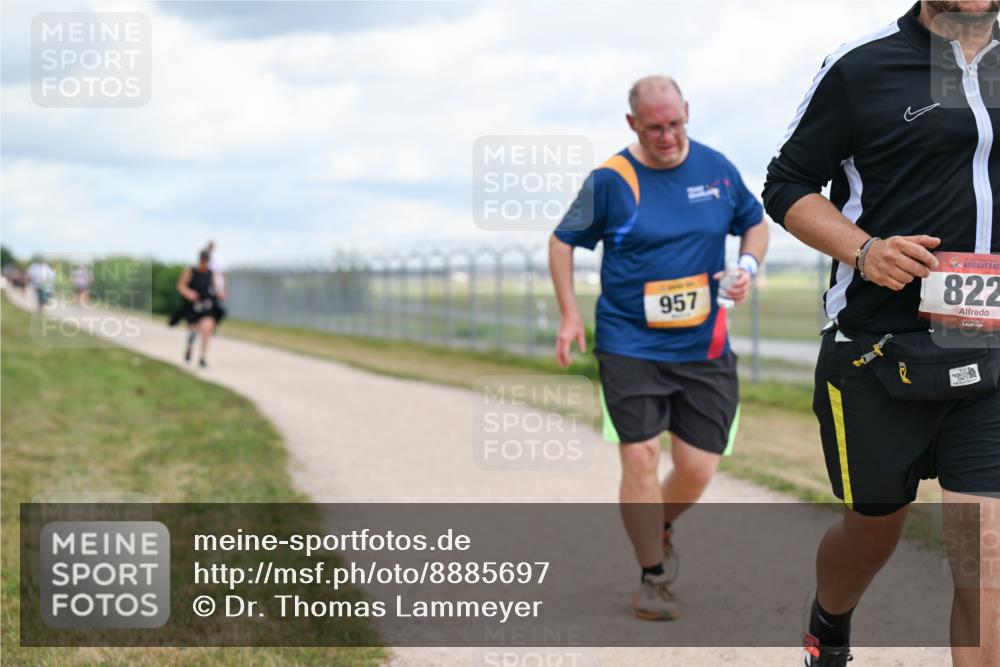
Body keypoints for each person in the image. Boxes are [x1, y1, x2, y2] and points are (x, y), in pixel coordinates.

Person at [762, 3, 1000, 666]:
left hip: (989, 352)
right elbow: (786, 184)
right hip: (876, 348)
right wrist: (865, 251)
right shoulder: (862, 65)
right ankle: (829, 621)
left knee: (987, 564)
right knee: (874, 529)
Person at [549, 75, 769, 621]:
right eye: (654, 127)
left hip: (705, 344)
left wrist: (745, 267)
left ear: (687, 113)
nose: (667, 136)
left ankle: (660, 524)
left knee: (697, 467)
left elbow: (756, 224)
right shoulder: (611, 180)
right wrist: (570, 312)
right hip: (630, 342)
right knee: (641, 454)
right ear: (633, 125)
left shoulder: (717, 169)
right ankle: (652, 575)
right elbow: (561, 241)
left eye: (674, 123)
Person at [170, 250, 225, 368]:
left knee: (206, 329)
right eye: (204, 261)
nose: (205, 264)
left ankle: (202, 358)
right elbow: (180, 286)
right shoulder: (191, 271)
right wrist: (188, 293)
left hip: (206, 306)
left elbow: (216, 288)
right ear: (200, 260)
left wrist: (220, 293)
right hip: (193, 306)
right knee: (193, 331)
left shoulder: (211, 273)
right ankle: (189, 348)